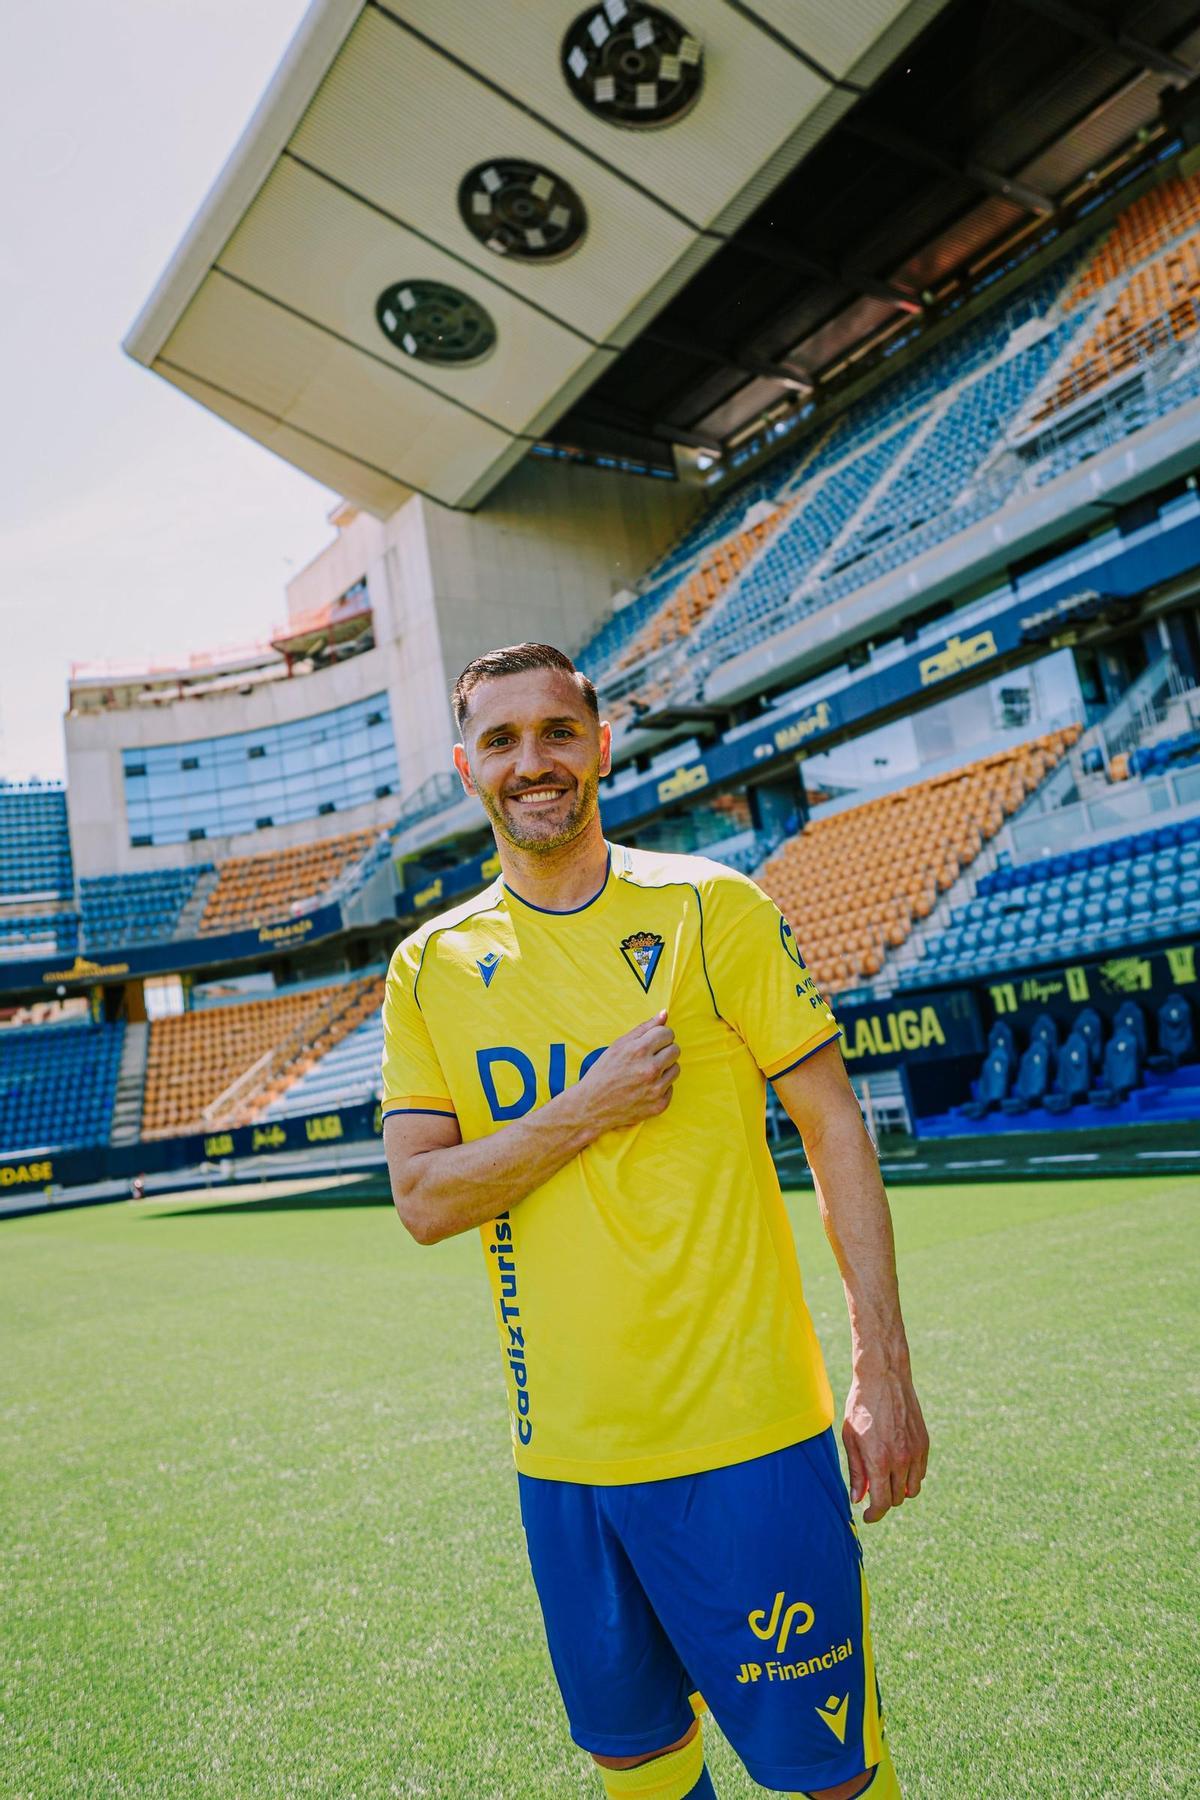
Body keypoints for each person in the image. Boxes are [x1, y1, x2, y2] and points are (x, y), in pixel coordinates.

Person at [382, 644, 928, 1800]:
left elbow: (835, 1126)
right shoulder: (430, 968)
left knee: (828, 1772)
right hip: (564, 1464)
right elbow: (424, 1200)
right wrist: (586, 1109)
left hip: (749, 1443)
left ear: (600, 745)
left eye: (557, 732)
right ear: (467, 770)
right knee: (635, 1762)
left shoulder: (708, 907)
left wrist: (882, 1367)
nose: (533, 761)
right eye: (501, 740)